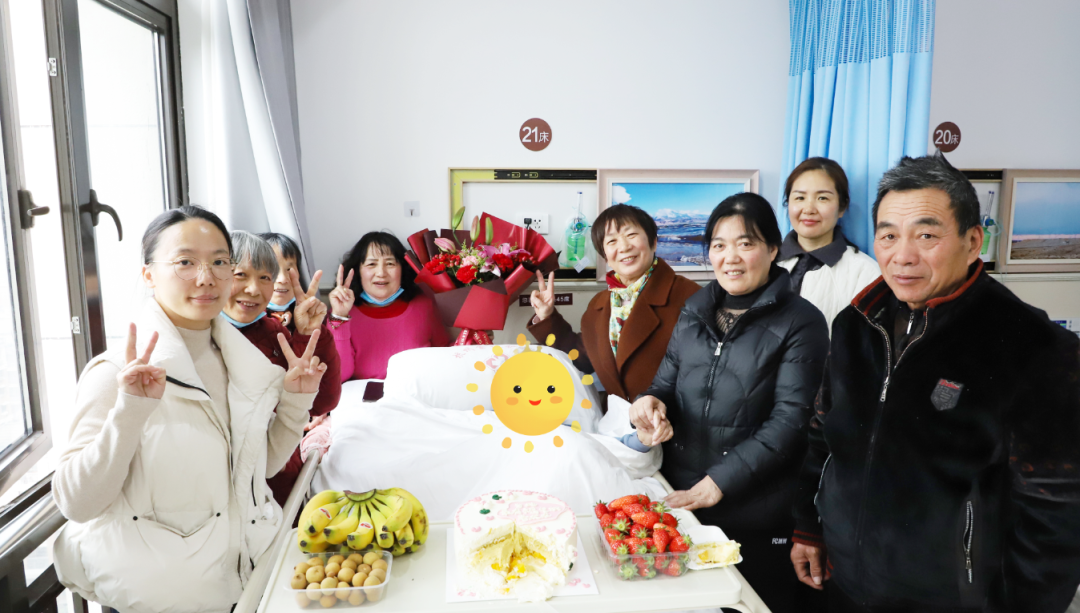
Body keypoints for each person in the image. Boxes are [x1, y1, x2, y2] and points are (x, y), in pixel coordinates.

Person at [790, 154, 1080, 613]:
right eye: (888, 235)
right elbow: (823, 433)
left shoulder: (1034, 346)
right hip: (845, 580)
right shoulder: (855, 325)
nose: (903, 255)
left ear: (972, 241)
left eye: (926, 235)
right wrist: (808, 526)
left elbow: (1057, 512)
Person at [52, 206, 327, 613]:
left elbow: (262, 467)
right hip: (159, 597)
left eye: (219, 262)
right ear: (149, 275)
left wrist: (295, 404)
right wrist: (129, 412)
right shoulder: (116, 373)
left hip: (241, 583)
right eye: (185, 262)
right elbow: (77, 503)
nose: (205, 277)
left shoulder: (239, 364)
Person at [631, 193, 829, 613]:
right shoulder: (694, 310)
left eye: (746, 243)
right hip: (684, 503)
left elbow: (791, 421)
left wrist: (719, 482)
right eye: (719, 245)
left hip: (756, 512)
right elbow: (664, 384)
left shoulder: (802, 321)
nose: (730, 257)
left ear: (773, 249)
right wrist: (648, 405)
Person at [528, 204, 700, 407]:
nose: (624, 247)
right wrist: (547, 316)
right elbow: (582, 359)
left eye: (631, 235)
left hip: (671, 420)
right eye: (611, 241)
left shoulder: (690, 296)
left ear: (653, 242)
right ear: (605, 256)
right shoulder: (599, 305)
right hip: (618, 421)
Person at [223, 230, 341, 506]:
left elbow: (321, 401)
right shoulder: (202, 335)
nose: (254, 289)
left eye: (265, 276)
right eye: (241, 275)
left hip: (279, 474)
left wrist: (312, 334)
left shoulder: (274, 332)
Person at [327, 231, 449, 382]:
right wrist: (339, 317)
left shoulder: (425, 305)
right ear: (358, 271)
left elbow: (444, 358)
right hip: (366, 395)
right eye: (371, 264)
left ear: (403, 269)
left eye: (390, 263)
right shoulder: (340, 314)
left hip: (420, 392)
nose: (381, 273)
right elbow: (339, 376)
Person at [778, 157, 881, 328]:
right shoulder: (765, 263)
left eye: (822, 198)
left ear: (842, 207)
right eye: (800, 197)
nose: (809, 209)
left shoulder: (866, 273)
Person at [259, 232, 306, 330]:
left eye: (289, 269)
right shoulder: (241, 322)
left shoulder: (308, 315)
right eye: (271, 269)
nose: (283, 279)